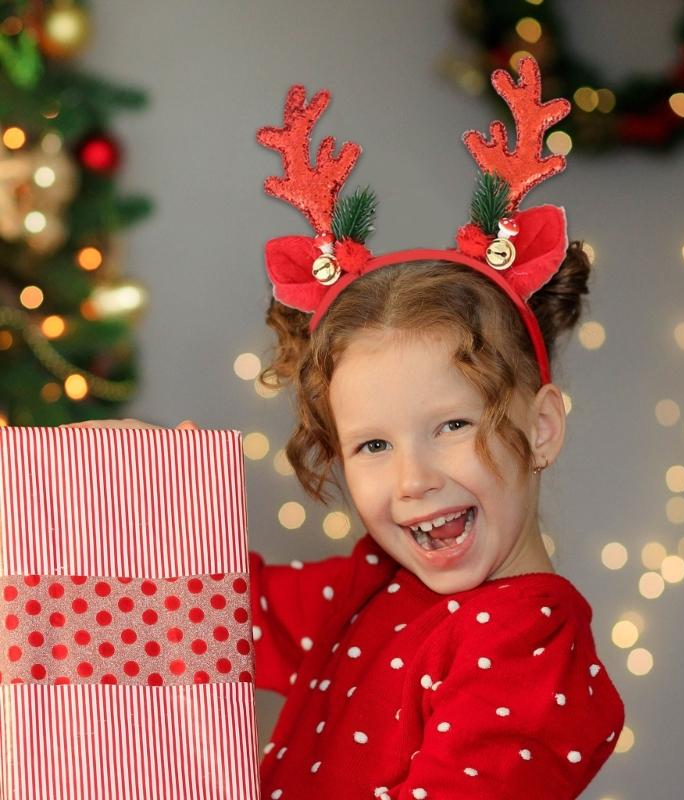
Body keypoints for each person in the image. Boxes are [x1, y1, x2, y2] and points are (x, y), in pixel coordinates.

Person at [67, 56, 625, 798]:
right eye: (372, 444)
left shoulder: (528, 639)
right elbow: (222, 615)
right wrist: (125, 464)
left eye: (453, 424)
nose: (413, 479)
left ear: (544, 426)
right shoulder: (376, 582)